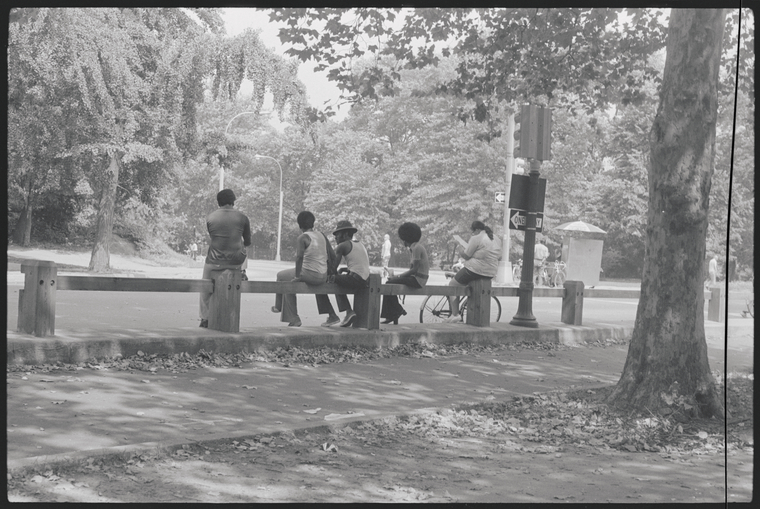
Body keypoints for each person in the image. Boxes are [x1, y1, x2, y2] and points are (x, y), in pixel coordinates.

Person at [272, 211, 340, 327]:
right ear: (313, 223)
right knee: (292, 279)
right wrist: (330, 272)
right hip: (322, 275)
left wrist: (297, 276)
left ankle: (285, 311)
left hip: (310, 274)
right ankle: (332, 315)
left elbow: (299, 258)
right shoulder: (321, 235)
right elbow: (332, 256)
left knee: (282, 276)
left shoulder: (303, 238)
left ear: (299, 225)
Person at [199, 189, 251, 328]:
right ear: (233, 201)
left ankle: (205, 318)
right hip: (235, 263)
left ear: (218, 202)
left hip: (214, 262)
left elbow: (216, 238)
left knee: (205, 286)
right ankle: (243, 272)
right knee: (244, 248)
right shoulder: (243, 218)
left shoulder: (211, 217)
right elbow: (247, 242)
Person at [444, 221, 502, 322]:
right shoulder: (496, 238)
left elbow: (466, 256)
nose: (473, 234)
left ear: (477, 230)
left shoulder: (476, 238)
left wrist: (460, 248)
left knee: (452, 284)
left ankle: (455, 314)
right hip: (491, 272)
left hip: (474, 270)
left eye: (473, 232)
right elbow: (499, 257)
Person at [380, 222, 429, 324]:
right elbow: (412, 270)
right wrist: (396, 277)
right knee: (390, 282)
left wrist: (398, 276)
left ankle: (395, 311)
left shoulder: (416, 248)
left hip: (419, 280)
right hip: (416, 277)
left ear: (406, 238)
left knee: (389, 284)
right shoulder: (414, 248)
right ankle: (394, 312)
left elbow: (414, 270)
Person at [326, 220, 370, 328]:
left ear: (345, 234)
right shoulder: (360, 244)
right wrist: (346, 270)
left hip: (356, 279)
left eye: (337, 235)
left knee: (333, 279)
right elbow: (359, 264)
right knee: (338, 277)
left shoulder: (342, 246)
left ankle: (348, 311)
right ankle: (348, 313)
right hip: (365, 279)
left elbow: (332, 269)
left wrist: (326, 258)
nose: (335, 237)